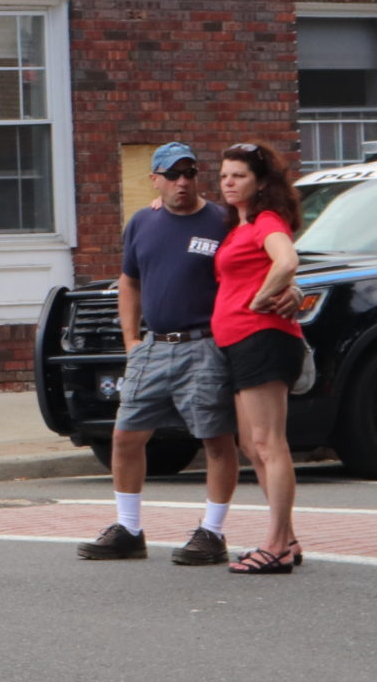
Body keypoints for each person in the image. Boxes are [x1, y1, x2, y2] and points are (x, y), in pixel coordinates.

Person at [77, 143, 241, 564]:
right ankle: (129, 530)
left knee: (216, 439)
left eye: (189, 173)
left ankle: (212, 532)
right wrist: (131, 340)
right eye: (172, 175)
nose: (182, 182)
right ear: (155, 180)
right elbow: (129, 281)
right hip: (153, 346)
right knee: (125, 436)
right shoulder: (142, 222)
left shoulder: (222, 221)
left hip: (204, 344)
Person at [212, 142, 305, 575]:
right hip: (239, 343)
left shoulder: (266, 220)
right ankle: (287, 539)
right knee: (251, 445)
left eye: (239, 176)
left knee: (270, 444)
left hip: (262, 338)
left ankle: (277, 546)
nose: (229, 183)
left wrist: (261, 298)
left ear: (261, 182)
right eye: (224, 175)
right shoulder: (238, 226)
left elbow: (287, 261)